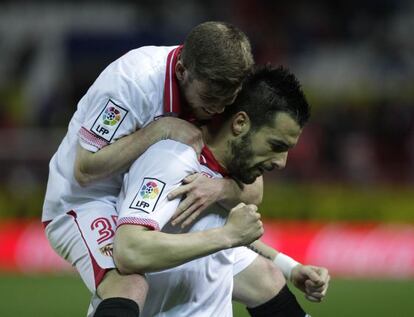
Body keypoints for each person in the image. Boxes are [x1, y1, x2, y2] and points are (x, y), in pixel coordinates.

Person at [42, 21, 263, 317]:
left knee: (265, 278)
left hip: (152, 203)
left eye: (228, 101)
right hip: (86, 201)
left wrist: (220, 188)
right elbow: (85, 169)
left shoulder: (222, 90)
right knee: (128, 283)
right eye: (210, 101)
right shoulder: (130, 83)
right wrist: (159, 129)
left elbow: (254, 188)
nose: (219, 111)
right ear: (182, 71)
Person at [112, 65, 330, 317]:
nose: (281, 163)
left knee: (266, 277)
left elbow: (223, 239)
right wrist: (227, 235)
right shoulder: (172, 160)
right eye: (275, 145)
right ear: (240, 123)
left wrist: (289, 267)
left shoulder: (226, 174)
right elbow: (129, 250)